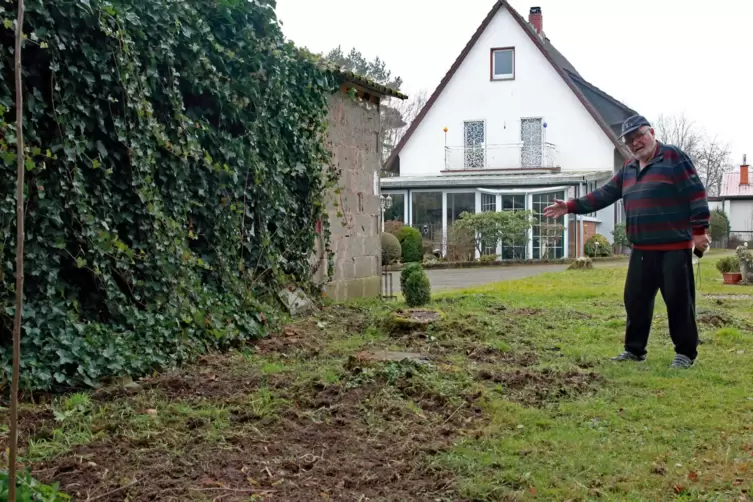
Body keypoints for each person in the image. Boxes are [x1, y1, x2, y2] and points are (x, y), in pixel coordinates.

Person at [543, 115, 711, 369]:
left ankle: (686, 353)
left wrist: (699, 231)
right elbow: (605, 193)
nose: (635, 143)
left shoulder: (673, 157)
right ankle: (634, 350)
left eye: (639, 135)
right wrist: (570, 206)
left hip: (673, 247)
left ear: (652, 132)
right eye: (630, 140)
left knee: (679, 301)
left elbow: (695, 191)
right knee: (635, 301)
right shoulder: (629, 169)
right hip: (641, 249)